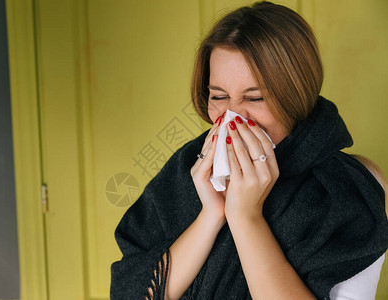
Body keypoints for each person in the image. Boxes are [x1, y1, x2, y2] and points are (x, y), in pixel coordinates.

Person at [110, 1, 388, 299]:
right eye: (218, 96)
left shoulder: (349, 188)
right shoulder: (186, 168)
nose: (232, 117)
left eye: (254, 99)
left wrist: (246, 216)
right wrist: (211, 214)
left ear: (297, 97)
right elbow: (135, 292)